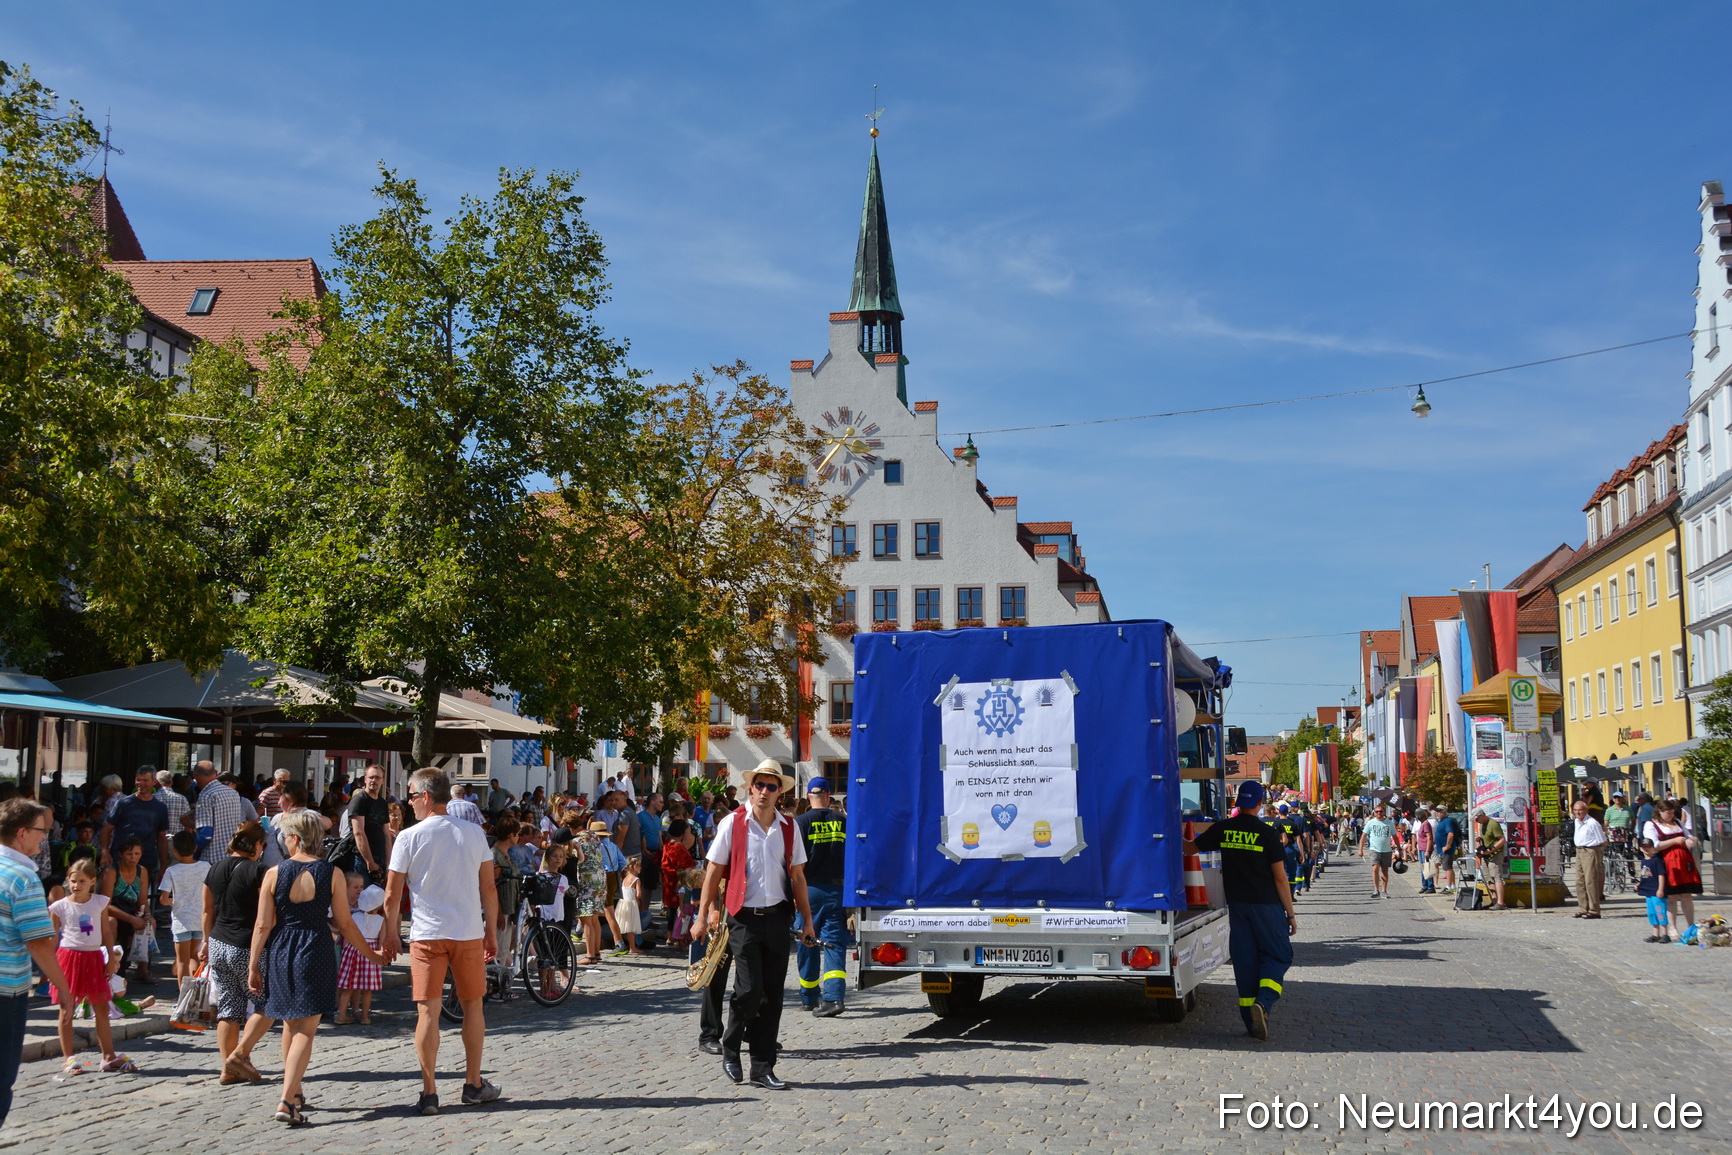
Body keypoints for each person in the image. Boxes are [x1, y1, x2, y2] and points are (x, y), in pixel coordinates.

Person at [249, 809, 388, 1126]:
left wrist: (254, 964)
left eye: (285, 835)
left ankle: (293, 1092)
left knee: (289, 1024)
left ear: (295, 838)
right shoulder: (332, 873)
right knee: (304, 1031)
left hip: (282, 949)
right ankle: (287, 1099)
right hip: (315, 948)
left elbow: (262, 925)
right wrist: (371, 954)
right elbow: (346, 925)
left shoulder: (274, 873)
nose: (283, 840)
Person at [381, 768, 502, 1116]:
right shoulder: (473, 833)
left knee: (427, 1012)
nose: (408, 802)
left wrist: (391, 934)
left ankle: (430, 1091)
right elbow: (488, 887)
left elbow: (392, 894)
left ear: (426, 797)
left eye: (411, 796)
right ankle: (473, 1082)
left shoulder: (408, 837)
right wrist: (490, 931)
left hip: (427, 935)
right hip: (466, 931)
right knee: (473, 1006)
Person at [695, 760, 818, 1090]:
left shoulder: (789, 828)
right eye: (759, 785)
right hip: (743, 917)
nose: (764, 791)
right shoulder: (733, 824)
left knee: (772, 996)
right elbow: (714, 872)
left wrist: (807, 921)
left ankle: (762, 1066)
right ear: (751, 788)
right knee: (749, 990)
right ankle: (730, 1047)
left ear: (781, 792)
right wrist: (702, 914)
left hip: (778, 916)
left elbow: (798, 877)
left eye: (771, 786)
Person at [1189, 782, 1296, 1041]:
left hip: (1237, 906)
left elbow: (1189, 848)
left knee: (1245, 963)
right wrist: (1290, 914)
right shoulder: (1267, 833)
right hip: (1266, 905)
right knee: (1279, 955)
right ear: (1260, 803)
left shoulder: (1223, 828)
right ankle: (1264, 1002)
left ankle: (1252, 1023)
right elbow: (1280, 878)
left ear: (1238, 802)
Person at [0, 800, 73, 1123]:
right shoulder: (23, 877)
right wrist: (64, 988)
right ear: (21, 833)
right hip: (6, 991)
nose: (44, 839)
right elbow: (40, 943)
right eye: (41, 832)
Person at [49, 858, 136, 1074]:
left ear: (92, 881)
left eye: (82, 881)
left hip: (93, 957)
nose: (76, 885)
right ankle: (68, 1057)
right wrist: (49, 968)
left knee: (101, 1006)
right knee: (67, 1008)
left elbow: (106, 932)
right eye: (73, 881)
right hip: (68, 958)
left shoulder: (100, 902)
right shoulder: (60, 906)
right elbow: (53, 939)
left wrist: (108, 959)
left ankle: (108, 1056)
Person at [200, 822, 271, 1084]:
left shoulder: (214, 868)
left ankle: (227, 1069)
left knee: (229, 1008)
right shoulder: (259, 870)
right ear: (256, 845)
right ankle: (240, 1055)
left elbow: (207, 909)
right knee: (269, 1003)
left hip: (218, 942)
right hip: (247, 944)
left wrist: (205, 941)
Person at [795, 777, 848, 1017]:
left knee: (807, 942)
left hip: (809, 889)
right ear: (828, 795)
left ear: (808, 796)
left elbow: (794, 862)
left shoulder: (800, 823)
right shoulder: (843, 821)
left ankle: (808, 997)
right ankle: (834, 998)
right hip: (838, 889)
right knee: (834, 944)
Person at [1643, 799, 1702, 938]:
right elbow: (1654, 845)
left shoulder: (1678, 823)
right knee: (1672, 897)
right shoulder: (1651, 825)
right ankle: (1672, 928)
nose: (1670, 814)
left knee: (1687, 895)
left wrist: (1691, 840)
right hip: (1667, 863)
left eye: (1672, 811)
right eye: (1667, 812)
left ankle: (1690, 927)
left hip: (1684, 863)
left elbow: (1690, 836)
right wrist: (1674, 841)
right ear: (1660, 812)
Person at [156, 830, 210, 980]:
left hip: (181, 921)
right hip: (200, 920)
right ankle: (194, 997)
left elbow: (163, 899)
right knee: (195, 957)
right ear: (195, 848)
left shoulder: (171, 871)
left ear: (175, 852)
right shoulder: (206, 866)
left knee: (182, 961)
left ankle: (183, 999)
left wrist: (173, 902)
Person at [100, 836, 155, 983]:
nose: (133, 857)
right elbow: (105, 904)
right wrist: (131, 919)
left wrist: (147, 915)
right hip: (113, 911)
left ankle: (143, 969)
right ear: (121, 854)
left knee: (151, 922)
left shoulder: (142, 871)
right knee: (111, 922)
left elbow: (143, 900)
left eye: (137, 854)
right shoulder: (111, 871)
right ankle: (108, 965)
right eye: (129, 854)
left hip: (133, 910)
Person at [101, 766, 171, 880]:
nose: (140, 783)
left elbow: (162, 838)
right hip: (121, 858)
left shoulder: (160, 808)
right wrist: (105, 852)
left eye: (145, 780)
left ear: (154, 782)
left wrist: (164, 866)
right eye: (138, 779)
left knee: (142, 895)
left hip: (146, 860)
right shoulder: (123, 803)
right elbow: (107, 828)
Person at [336, 873, 387, 1025]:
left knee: (348, 987)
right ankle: (364, 1016)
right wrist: (381, 955)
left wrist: (346, 951)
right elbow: (381, 942)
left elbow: (347, 936)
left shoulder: (354, 917)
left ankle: (341, 1014)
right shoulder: (381, 921)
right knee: (366, 989)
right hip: (370, 953)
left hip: (352, 951)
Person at [194, 760, 255, 866]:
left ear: (195, 776)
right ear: (216, 773)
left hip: (212, 859)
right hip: (232, 856)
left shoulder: (206, 795)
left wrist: (192, 852)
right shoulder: (233, 793)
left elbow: (206, 834)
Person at [337, 764, 391, 883]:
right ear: (365, 779)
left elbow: (386, 834)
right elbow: (358, 832)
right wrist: (370, 862)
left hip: (380, 858)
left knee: (377, 899)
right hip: (361, 859)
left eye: (377, 778)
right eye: (371, 777)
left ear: (382, 780)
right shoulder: (360, 799)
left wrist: (389, 862)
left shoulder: (382, 803)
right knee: (362, 899)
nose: (373, 780)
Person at [1570, 799, 1608, 919]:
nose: (1578, 812)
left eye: (1580, 810)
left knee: (1590, 881)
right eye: (1575, 810)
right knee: (1579, 881)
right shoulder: (1577, 821)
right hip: (1579, 850)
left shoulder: (1592, 823)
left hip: (1590, 850)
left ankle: (1594, 910)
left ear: (1586, 810)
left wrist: (1595, 853)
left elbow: (1603, 841)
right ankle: (1583, 908)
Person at [1358, 804, 1397, 899]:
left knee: (1385, 870)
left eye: (1380, 811)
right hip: (1375, 849)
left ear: (1384, 812)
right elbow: (1364, 836)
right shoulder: (1371, 822)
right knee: (1375, 868)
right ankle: (1376, 890)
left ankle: (1384, 890)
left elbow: (1395, 836)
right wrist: (1360, 849)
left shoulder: (1389, 823)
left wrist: (1399, 848)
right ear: (1374, 813)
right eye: (1377, 811)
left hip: (1387, 850)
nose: (1379, 813)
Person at [1473, 810, 1509, 910]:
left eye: (1477, 818)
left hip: (1495, 854)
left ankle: (1501, 902)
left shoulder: (1493, 824)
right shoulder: (1481, 825)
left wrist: (1490, 850)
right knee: (1488, 878)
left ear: (1482, 815)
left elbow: (1502, 840)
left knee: (1497, 876)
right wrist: (1479, 838)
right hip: (1485, 855)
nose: (1476, 821)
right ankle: (1494, 900)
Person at [1636, 838, 1670, 943]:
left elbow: (1661, 875)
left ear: (1653, 848)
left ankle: (1665, 933)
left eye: (1648, 847)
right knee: (1652, 913)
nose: (1646, 849)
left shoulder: (1657, 861)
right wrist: (1640, 884)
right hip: (1648, 891)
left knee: (1660, 911)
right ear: (1640, 848)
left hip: (1656, 891)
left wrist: (1660, 889)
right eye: (1644, 846)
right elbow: (1644, 875)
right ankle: (1656, 934)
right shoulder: (1643, 861)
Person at [614, 855, 645, 956]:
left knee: (625, 925)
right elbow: (638, 894)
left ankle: (623, 944)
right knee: (631, 928)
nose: (640, 868)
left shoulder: (624, 878)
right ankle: (632, 947)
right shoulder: (636, 879)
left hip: (623, 903)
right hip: (631, 904)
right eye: (639, 866)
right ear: (632, 867)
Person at [1432, 805, 1460, 893]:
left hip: (1447, 849)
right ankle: (1452, 886)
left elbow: (1450, 834)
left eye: (1439, 811)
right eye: (1437, 811)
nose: (1437, 813)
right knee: (1449, 867)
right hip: (1442, 849)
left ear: (1444, 812)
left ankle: (1449, 886)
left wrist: (1447, 846)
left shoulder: (1447, 821)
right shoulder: (1442, 821)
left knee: (1447, 868)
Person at [155, 769, 192, 833]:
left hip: (158, 840)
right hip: (178, 840)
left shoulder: (153, 798)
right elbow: (188, 822)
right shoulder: (182, 799)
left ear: (156, 782)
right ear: (171, 782)